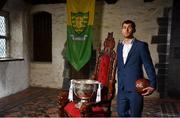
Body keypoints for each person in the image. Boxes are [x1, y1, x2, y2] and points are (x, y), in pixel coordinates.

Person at [117, 20, 157, 117]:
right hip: (122, 88)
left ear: (134, 30)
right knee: (121, 113)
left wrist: (153, 84)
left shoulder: (140, 46)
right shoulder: (119, 46)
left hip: (136, 87)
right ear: (121, 30)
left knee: (135, 115)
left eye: (129, 27)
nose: (126, 30)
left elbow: (148, 65)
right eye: (124, 27)